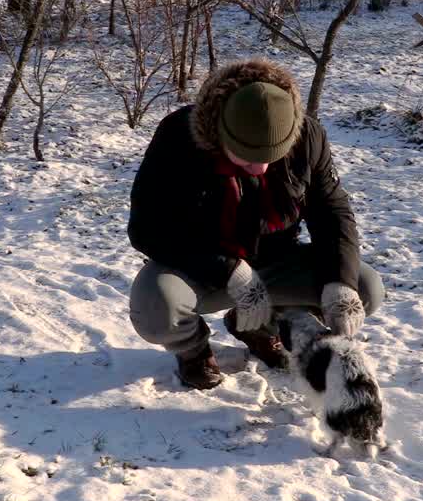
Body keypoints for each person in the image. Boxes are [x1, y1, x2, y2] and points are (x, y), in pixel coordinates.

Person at [127, 58, 383, 389]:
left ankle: (260, 328)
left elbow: (332, 211)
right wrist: (228, 270)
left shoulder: (309, 137)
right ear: (219, 136)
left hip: (276, 259)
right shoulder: (179, 137)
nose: (260, 168)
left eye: (271, 157)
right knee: (155, 307)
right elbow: (147, 228)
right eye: (247, 157)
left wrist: (339, 282)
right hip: (201, 267)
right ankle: (193, 352)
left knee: (364, 288)